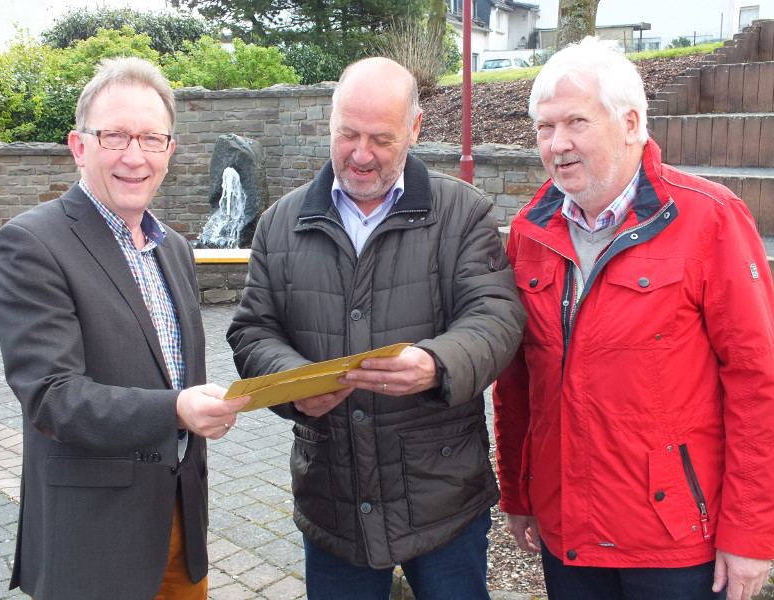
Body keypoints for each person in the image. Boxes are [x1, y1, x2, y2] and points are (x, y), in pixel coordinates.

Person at [226, 56, 526, 599]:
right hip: (333, 499)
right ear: (331, 121)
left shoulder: (463, 213)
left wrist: (438, 364)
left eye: (381, 139)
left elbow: (496, 317)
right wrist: (295, 383)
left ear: (414, 130)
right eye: (348, 134)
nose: (361, 155)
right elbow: (252, 331)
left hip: (442, 501)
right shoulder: (279, 222)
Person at [492, 36, 774, 600]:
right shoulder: (529, 232)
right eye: (545, 128)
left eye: (576, 122)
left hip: (674, 540)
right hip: (566, 528)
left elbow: (757, 382)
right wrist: (519, 494)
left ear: (630, 123)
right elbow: (518, 381)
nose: (558, 144)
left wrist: (751, 533)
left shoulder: (709, 219)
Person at [0, 57, 249, 600]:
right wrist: (177, 410)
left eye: (152, 138)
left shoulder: (174, 248)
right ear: (79, 146)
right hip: (95, 541)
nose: (135, 157)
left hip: (179, 525)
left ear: (170, 151)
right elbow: (51, 399)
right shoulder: (32, 244)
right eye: (115, 136)